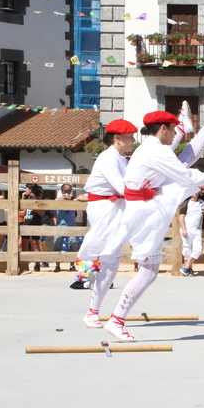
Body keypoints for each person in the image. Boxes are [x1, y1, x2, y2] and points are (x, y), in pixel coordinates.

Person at [103, 111, 204, 342]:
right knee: (149, 270)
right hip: (146, 211)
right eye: (173, 129)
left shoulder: (149, 148)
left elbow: (177, 174)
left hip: (147, 204)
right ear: (163, 128)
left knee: (149, 269)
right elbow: (185, 175)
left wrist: (195, 184)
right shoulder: (156, 150)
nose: (174, 134)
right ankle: (116, 320)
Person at [78, 119, 137, 326]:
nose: (133, 141)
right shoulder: (108, 158)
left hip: (114, 207)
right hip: (106, 209)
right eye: (130, 137)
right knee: (110, 258)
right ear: (117, 138)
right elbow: (123, 188)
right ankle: (92, 311)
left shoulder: (121, 159)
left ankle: (93, 310)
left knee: (112, 259)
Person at [178, 186, 204, 276]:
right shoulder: (186, 202)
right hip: (187, 228)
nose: (195, 193)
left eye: (196, 191)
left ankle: (186, 267)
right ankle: (189, 269)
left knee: (198, 249)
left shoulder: (202, 202)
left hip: (197, 229)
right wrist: (184, 229)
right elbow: (181, 217)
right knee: (187, 249)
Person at [52, 183, 80, 271]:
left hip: (71, 225)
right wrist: (61, 199)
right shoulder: (58, 200)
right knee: (57, 245)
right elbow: (53, 204)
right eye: (65, 191)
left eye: (69, 191)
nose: (67, 193)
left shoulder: (74, 200)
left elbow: (78, 202)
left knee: (73, 245)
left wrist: (70, 199)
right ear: (62, 191)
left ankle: (72, 265)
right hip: (60, 226)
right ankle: (57, 265)